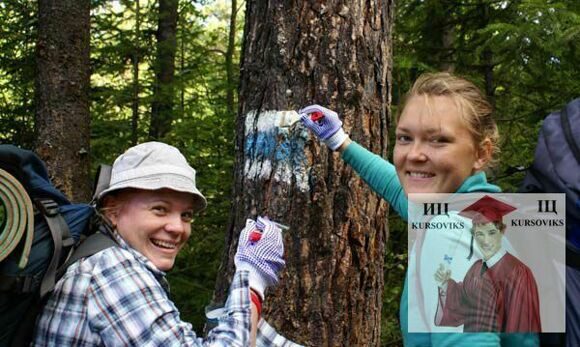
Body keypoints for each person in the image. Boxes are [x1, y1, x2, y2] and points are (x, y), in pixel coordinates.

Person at [300, 72, 538, 346]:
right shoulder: (481, 211)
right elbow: (393, 184)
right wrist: (339, 140)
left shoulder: (449, 235)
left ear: (481, 153)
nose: (414, 154)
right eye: (404, 138)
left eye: (438, 140)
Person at [32, 141, 300, 346]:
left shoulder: (106, 258)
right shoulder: (110, 270)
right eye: (160, 209)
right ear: (113, 211)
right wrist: (251, 280)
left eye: (186, 215)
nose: (177, 227)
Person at [434, 195, 541, 332]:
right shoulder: (476, 268)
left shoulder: (517, 272)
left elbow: (521, 324)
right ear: (473, 235)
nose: (486, 241)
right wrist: (445, 283)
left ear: (502, 231)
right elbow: (463, 304)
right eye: (480, 234)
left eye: (491, 232)